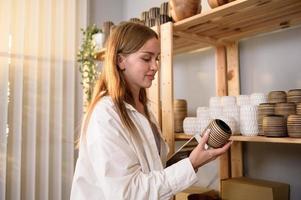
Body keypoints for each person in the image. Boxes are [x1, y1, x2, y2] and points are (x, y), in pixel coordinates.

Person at [70, 22, 231, 200]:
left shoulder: (143, 109)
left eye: (157, 58)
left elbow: (153, 170)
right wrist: (190, 164)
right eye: (147, 58)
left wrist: (191, 160)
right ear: (120, 61)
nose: (155, 66)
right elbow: (127, 194)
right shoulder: (105, 114)